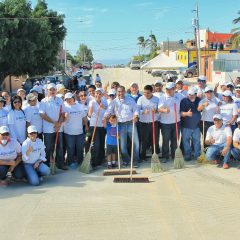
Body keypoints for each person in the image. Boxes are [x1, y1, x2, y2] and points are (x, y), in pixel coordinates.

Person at [104, 86, 139, 167]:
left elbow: (136, 109)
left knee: (136, 143)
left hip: (131, 123)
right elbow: (108, 110)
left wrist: (136, 116)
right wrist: (105, 117)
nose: (120, 93)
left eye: (122, 91)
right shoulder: (114, 102)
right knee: (123, 145)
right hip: (120, 125)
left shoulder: (130, 100)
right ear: (117, 92)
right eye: (119, 92)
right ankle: (126, 160)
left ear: (125, 92)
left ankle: (135, 161)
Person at [39, 83, 67, 170]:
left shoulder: (59, 100)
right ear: (47, 91)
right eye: (50, 89)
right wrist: (54, 122)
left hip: (59, 127)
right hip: (48, 129)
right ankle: (47, 165)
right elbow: (42, 114)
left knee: (60, 147)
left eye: (54, 89)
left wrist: (58, 123)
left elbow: (63, 113)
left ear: (56, 90)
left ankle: (60, 164)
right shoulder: (43, 101)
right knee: (47, 148)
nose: (52, 91)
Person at [158, 82, 184, 162]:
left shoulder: (179, 96)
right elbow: (159, 109)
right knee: (165, 140)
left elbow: (189, 98)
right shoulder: (163, 97)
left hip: (176, 122)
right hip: (165, 123)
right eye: (167, 89)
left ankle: (174, 155)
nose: (169, 91)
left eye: (171, 89)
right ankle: (165, 156)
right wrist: (165, 110)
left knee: (175, 140)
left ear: (174, 89)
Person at [63, 92, 88, 168]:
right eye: (67, 99)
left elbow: (83, 117)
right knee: (70, 148)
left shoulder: (79, 106)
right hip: (69, 132)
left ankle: (80, 162)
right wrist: (65, 118)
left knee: (80, 147)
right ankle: (70, 162)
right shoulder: (64, 107)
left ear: (73, 98)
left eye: (70, 98)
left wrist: (86, 125)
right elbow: (63, 120)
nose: (68, 100)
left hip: (79, 131)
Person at [137, 85, 159, 162]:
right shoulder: (140, 99)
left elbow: (159, 110)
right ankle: (142, 156)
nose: (146, 94)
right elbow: (137, 110)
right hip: (143, 123)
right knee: (144, 140)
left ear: (151, 92)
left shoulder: (156, 99)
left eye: (148, 93)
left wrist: (155, 111)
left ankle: (154, 155)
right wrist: (143, 112)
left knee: (154, 140)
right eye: (144, 92)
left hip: (154, 123)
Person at [88, 88, 107, 169]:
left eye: (100, 94)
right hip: (94, 125)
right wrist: (90, 112)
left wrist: (104, 107)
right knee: (97, 144)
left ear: (102, 95)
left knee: (102, 144)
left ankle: (100, 160)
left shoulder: (104, 101)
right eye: (97, 94)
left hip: (102, 126)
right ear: (95, 94)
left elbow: (107, 111)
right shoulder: (92, 102)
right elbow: (89, 114)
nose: (98, 95)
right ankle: (94, 162)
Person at [180, 87, 201, 161]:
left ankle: (197, 155)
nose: (190, 96)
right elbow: (181, 113)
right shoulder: (184, 101)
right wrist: (186, 113)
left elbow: (202, 108)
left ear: (196, 94)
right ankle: (187, 155)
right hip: (186, 126)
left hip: (196, 126)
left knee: (197, 142)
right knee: (186, 141)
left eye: (192, 94)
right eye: (189, 94)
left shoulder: (199, 100)